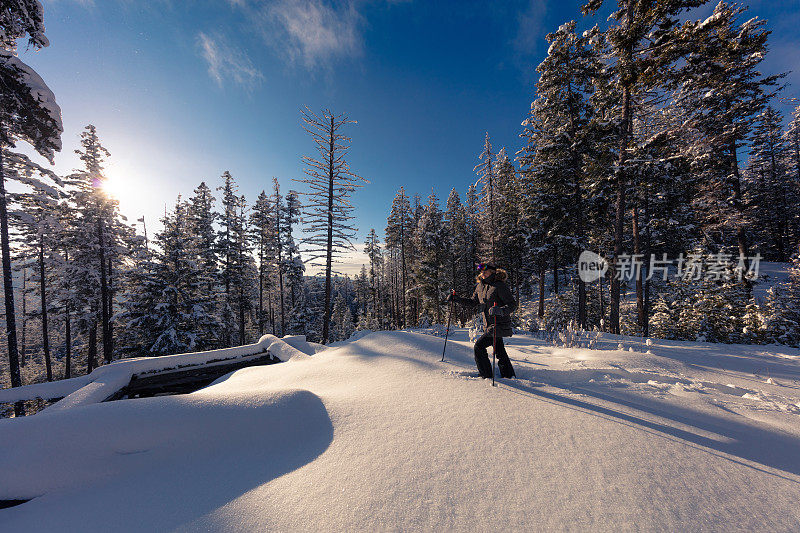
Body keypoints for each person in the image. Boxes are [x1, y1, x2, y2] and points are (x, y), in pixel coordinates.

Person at [447, 261, 517, 379]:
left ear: (492, 272)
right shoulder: (480, 286)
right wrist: (457, 299)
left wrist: (500, 310)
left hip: (498, 324)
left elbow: (512, 305)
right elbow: (473, 302)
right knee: (499, 351)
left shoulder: (499, 286)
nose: (482, 273)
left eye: (485, 271)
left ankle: (486, 374)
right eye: (481, 271)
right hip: (489, 324)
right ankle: (509, 375)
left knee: (479, 347)